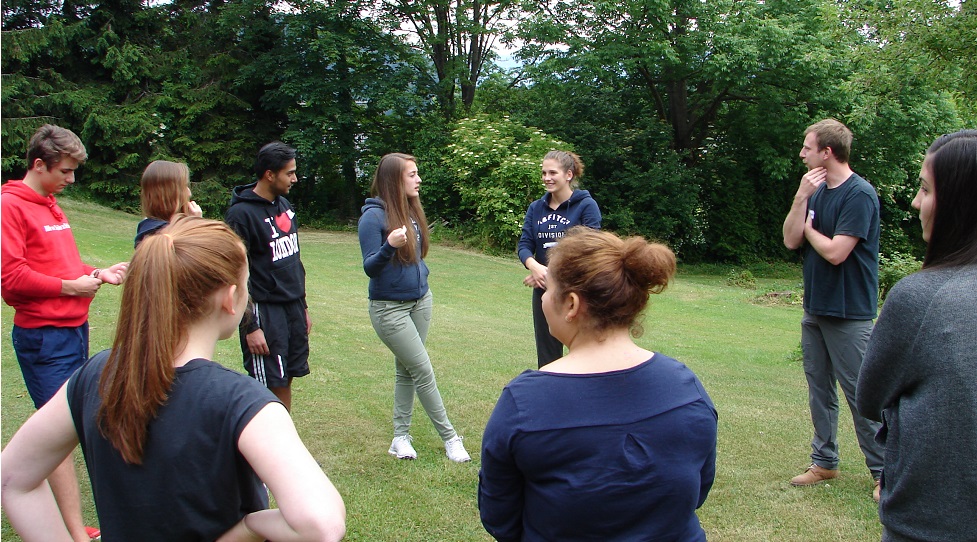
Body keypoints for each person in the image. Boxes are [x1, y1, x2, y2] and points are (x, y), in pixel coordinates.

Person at [0, 217, 347, 541]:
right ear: (231, 299)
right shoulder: (242, 401)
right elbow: (321, 523)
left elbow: (13, 479)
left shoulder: (96, 374)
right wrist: (250, 526)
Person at [479, 227, 717, 541]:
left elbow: (500, 517)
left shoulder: (525, 403)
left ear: (572, 305)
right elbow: (696, 491)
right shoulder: (687, 387)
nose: (543, 298)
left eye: (547, 288)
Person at [1, 124, 128, 542]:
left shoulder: (50, 203)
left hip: (75, 330)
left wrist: (95, 274)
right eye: (65, 172)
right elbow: (11, 276)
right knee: (58, 430)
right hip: (44, 337)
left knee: (84, 420)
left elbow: (58, 265)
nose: (71, 180)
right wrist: (68, 288)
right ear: (39, 165)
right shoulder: (11, 206)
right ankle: (75, 532)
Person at [856, 130, 977, 541]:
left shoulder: (922, 297)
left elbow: (870, 397)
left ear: (961, 202)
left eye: (925, 189)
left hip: (935, 520)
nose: (915, 202)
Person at [782, 118, 885, 500]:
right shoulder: (816, 191)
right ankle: (824, 462)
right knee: (819, 389)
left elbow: (836, 252)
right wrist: (800, 199)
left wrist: (810, 228)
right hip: (816, 307)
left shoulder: (859, 194)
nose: (802, 154)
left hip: (850, 312)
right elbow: (791, 240)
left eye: (807, 148)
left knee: (861, 393)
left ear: (827, 152)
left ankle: (884, 471)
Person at [358, 153, 470, 463]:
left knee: (406, 370)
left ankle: (400, 437)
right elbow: (370, 267)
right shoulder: (372, 217)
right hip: (388, 309)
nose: (418, 180)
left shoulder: (408, 211)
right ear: (395, 179)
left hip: (420, 301)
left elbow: (418, 256)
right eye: (412, 174)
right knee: (422, 369)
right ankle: (450, 438)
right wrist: (388, 246)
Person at [225, 142, 311, 411]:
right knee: (268, 383)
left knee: (286, 376)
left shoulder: (284, 205)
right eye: (290, 173)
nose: (295, 179)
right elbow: (234, 274)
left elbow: (293, 260)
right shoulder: (241, 215)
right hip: (264, 311)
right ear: (269, 174)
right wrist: (250, 327)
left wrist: (303, 306)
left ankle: (282, 443)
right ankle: (265, 444)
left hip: (293, 307)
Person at [518, 150, 601, 368]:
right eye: (544, 172)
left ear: (569, 175)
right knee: (547, 356)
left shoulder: (586, 206)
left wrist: (550, 274)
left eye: (552, 172)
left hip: (576, 291)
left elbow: (589, 251)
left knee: (583, 349)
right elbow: (525, 245)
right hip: (544, 291)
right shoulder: (536, 208)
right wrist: (535, 267)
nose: (547, 177)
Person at [134, 159, 203, 247]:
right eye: (184, 187)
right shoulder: (160, 236)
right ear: (168, 194)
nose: (189, 193)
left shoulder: (148, 228)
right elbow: (192, 258)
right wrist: (195, 227)